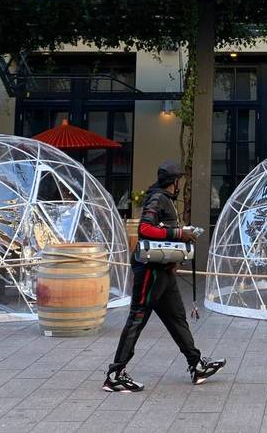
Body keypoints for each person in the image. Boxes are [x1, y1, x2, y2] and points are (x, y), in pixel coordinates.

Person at [103, 161, 225, 393]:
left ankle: (196, 365)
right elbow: (145, 229)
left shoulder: (163, 198)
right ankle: (115, 374)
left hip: (164, 271)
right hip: (150, 271)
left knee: (176, 318)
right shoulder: (158, 198)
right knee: (137, 318)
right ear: (174, 182)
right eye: (179, 180)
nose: (180, 184)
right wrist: (179, 233)